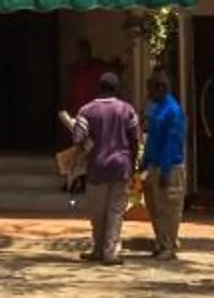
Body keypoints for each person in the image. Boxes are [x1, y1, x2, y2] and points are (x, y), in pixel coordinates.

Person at [71, 67, 141, 264]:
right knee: (115, 210)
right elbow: (136, 139)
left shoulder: (86, 110)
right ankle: (110, 251)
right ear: (117, 89)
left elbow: (78, 138)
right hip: (121, 166)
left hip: (97, 167)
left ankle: (98, 248)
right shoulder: (127, 110)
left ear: (98, 88)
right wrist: (134, 162)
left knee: (97, 212)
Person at [139, 71, 187, 258]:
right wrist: (145, 162)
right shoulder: (157, 109)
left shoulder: (172, 111)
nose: (148, 94)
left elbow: (172, 142)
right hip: (155, 164)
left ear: (160, 88)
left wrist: (166, 170)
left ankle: (168, 245)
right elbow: (152, 138)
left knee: (169, 209)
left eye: (150, 89)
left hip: (170, 167)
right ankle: (161, 242)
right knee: (155, 207)